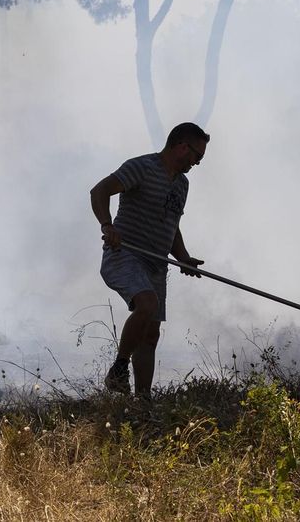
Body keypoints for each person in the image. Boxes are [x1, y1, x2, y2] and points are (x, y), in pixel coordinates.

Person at [90, 122, 209, 399]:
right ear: (182, 147)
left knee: (150, 334)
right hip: (125, 255)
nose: (196, 163)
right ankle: (119, 370)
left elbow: (171, 225)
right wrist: (107, 226)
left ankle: (143, 401)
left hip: (156, 265)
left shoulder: (182, 184)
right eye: (197, 156)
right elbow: (99, 191)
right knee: (147, 303)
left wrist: (184, 258)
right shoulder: (142, 167)